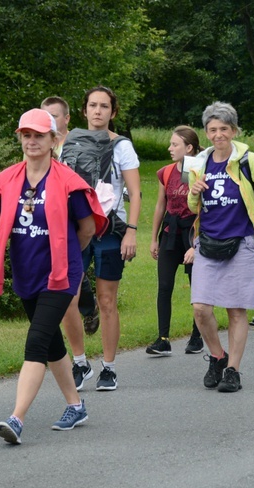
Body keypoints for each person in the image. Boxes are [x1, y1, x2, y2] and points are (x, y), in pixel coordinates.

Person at [0, 108, 107, 444]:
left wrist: (66, 257)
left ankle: (17, 418)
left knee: (36, 341)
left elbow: (86, 229)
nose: (32, 141)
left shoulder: (69, 183)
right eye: (26, 134)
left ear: (54, 140)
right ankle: (76, 404)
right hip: (26, 273)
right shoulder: (7, 179)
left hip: (61, 274)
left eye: (39, 135)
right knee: (51, 343)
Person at [188, 101, 254, 392]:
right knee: (200, 308)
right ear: (206, 132)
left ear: (234, 131)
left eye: (224, 128)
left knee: (236, 311)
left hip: (243, 244)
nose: (218, 134)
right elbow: (193, 206)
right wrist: (193, 193)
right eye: (212, 129)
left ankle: (233, 370)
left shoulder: (249, 161)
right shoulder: (199, 162)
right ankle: (217, 356)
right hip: (208, 243)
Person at [77, 86, 141, 391]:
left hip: (111, 229)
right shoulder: (71, 143)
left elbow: (135, 192)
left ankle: (109, 367)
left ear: (112, 112)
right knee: (69, 298)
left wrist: (132, 230)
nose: (98, 111)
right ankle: (79, 363)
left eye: (104, 106)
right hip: (77, 228)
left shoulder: (122, 147)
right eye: (93, 105)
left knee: (108, 300)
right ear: (85, 110)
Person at [41, 96, 96, 390]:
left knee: (67, 299)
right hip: (46, 238)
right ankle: (80, 361)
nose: (47, 121)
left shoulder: (78, 147)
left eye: (53, 116)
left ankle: (80, 362)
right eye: (43, 116)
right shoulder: (38, 151)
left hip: (77, 231)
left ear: (66, 119)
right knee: (65, 303)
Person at [147, 125, 204, 355]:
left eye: (175, 144)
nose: (170, 148)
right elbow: (161, 205)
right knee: (164, 285)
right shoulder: (166, 172)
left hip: (192, 231)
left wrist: (196, 244)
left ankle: (197, 335)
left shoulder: (201, 171)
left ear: (189, 147)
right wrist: (153, 239)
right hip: (170, 232)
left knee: (197, 288)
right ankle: (163, 338)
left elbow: (204, 208)